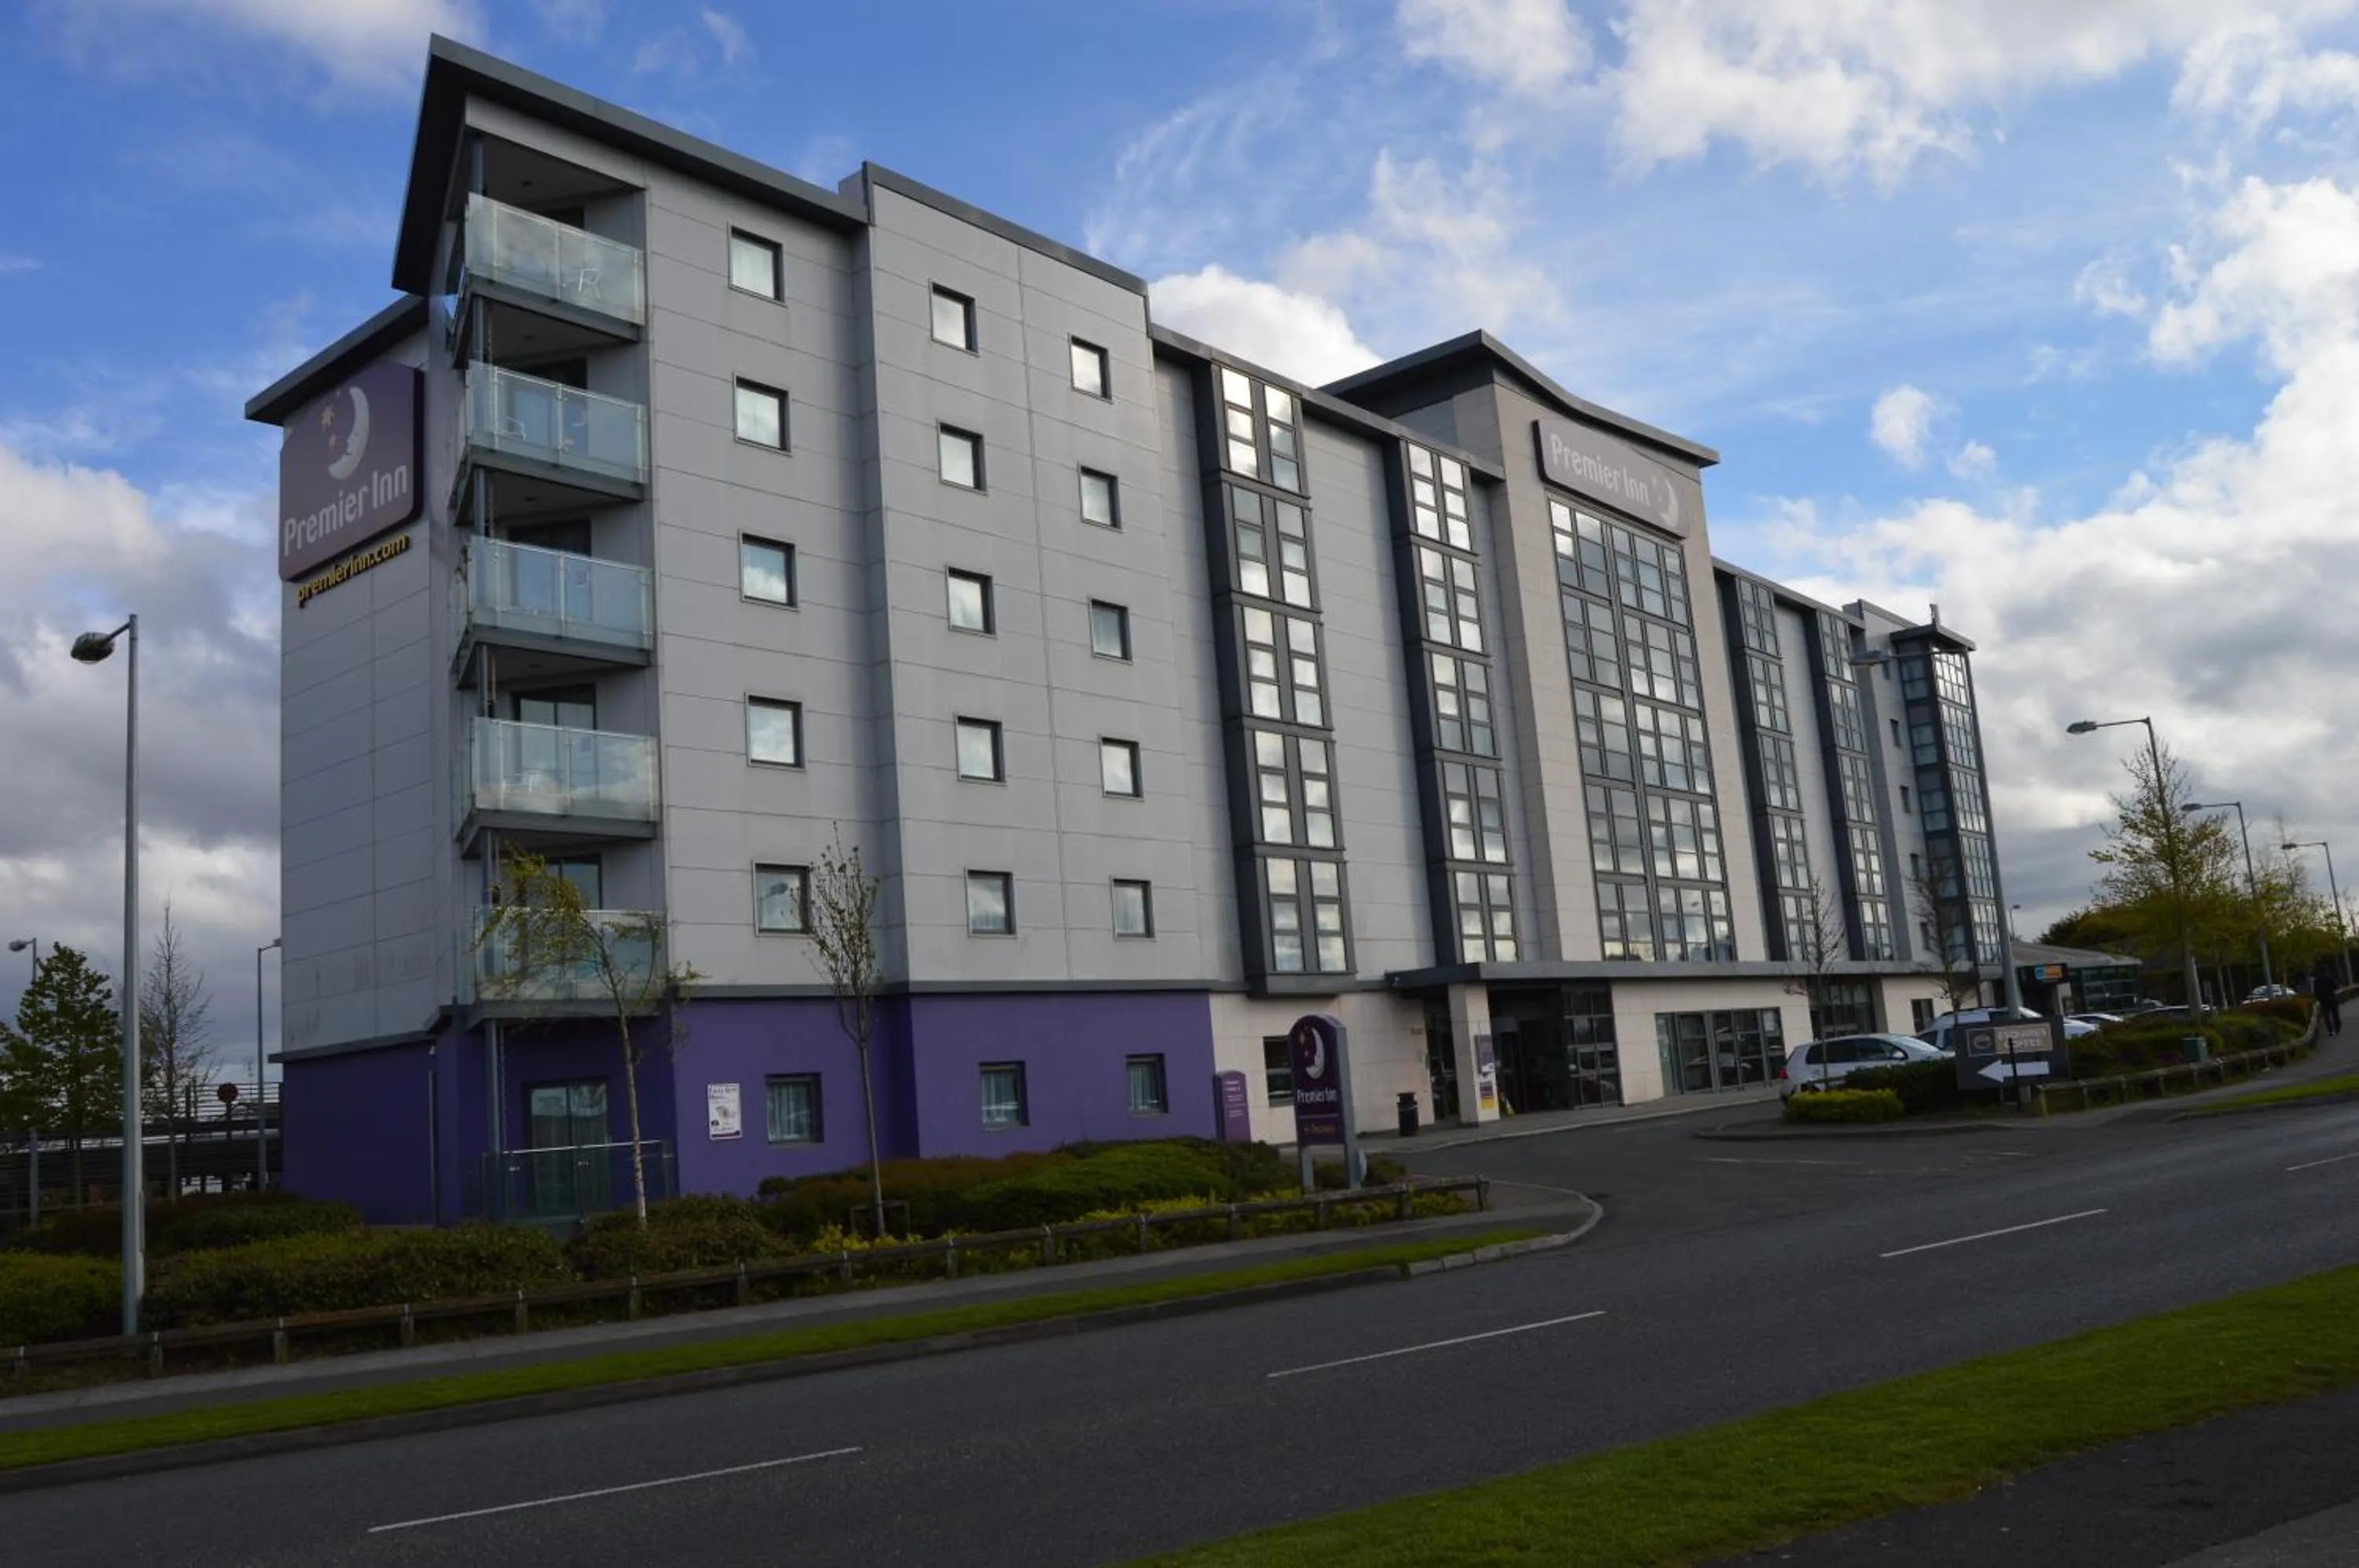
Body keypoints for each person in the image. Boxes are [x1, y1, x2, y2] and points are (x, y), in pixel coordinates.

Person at [2312, 962, 2342, 1038]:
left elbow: (2316, 992)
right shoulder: (2329, 978)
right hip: (2332, 998)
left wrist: (2319, 998)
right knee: (2335, 1015)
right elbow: (2336, 986)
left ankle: (2330, 1031)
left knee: (2327, 1016)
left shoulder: (2317, 981)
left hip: (2324, 1000)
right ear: (2326, 971)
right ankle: (2337, 1028)